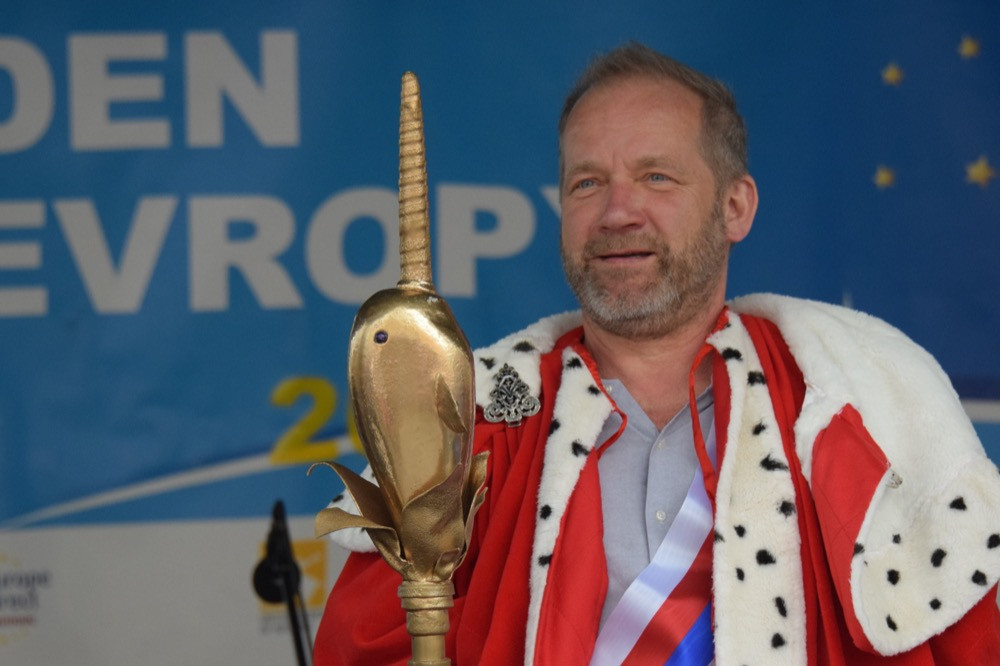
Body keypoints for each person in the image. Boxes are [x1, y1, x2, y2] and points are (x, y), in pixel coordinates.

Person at [313, 42, 1000, 665]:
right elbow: (362, 648)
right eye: (587, 183)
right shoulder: (474, 420)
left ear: (736, 207)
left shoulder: (851, 401)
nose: (618, 212)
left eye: (657, 178)